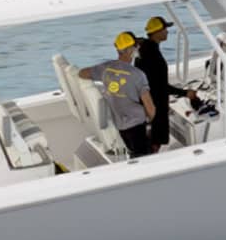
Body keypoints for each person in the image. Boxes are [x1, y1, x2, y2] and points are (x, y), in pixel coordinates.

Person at [79, 32, 155, 159]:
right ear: (130, 50)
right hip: (137, 125)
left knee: (135, 155)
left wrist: (111, 83)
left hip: (121, 126)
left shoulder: (105, 68)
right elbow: (150, 107)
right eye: (136, 47)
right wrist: (151, 122)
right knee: (145, 159)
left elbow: (82, 73)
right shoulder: (138, 75)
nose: (137, 49)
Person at [134, 14, 189, 150]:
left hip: (147, 101)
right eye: (165, 29)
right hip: (155, 104)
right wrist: (186, 93)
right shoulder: (153, 55)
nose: (167, 31)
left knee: (152, 139)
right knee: (155, 142)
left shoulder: (144, 50)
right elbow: (160, 86)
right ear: (157, 32)